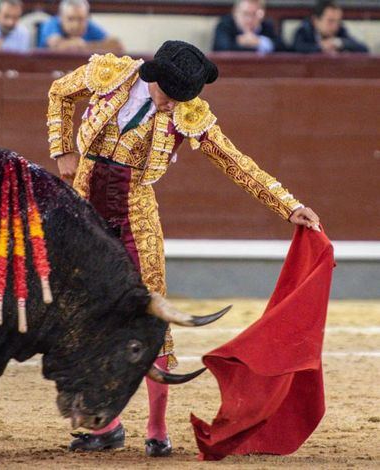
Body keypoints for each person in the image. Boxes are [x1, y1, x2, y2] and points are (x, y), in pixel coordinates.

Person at [46, 41, 321, 457]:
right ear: (153, 79)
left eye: (182, 99)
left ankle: (157, 429)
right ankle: (106, 424)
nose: (174, 106)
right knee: (84, 314)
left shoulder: (187, 112)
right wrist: (63, 148)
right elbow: (59, 94)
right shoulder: (109, 74)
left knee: (154, 316)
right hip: (83, 209)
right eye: (169, 97)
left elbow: (235, 161)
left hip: (135, 215)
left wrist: (290, 205)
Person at [37, 0, 122, 54]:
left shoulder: (90, 26)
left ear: (87, 18)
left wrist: (84, 45)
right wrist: (94, 47)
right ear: (61, 17)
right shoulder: (51, 24)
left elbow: (116, 45)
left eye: (80, 19)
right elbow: (56, 46)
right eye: (71, 19)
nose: (76, 24)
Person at [293, 0, 368, 54]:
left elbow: (363, 49)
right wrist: (321, 47)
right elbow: (297, 49)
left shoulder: (340, 30)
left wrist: (339, 43)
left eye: (338, 21)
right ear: (315, 21)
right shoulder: (304, 30)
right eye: (330, 21)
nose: (335, 26)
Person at [213, 0, 286, 53]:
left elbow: (283, 49)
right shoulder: (224, 25)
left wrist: (260, 42)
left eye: (254, 14)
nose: (249, 19)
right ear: (235, 12)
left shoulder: (267, 26)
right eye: (245, 14)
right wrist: (246, 43)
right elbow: (223, 48)